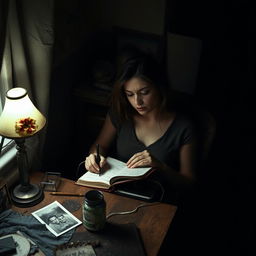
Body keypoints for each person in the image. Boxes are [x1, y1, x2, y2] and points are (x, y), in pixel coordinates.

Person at [84, 49, 197, 204]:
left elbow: (189, 183)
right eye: (130, 94)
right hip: (118, 194)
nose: (137, 102)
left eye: (144, 92)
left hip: (158, 202)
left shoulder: (183, 127)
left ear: (159, 87)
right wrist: (95, 157)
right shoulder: (120, 114)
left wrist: (161, 166)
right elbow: (100, 145)